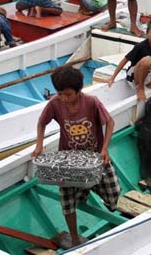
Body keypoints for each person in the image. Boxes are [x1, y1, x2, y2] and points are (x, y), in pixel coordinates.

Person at [31, 66, 120, 247]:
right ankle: (75, 236)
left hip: (95, 157)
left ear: (79, 91)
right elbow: (41, 122)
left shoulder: (91, 102)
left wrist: (105, 149)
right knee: (67, 202)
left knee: (114, 193)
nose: (64, 98)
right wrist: (39, 145)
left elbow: (110, 122)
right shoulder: (55, 103)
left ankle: (97, 199)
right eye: (60, 94)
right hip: (68, 160)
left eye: (68, 95)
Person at [107, 18, 151, 101]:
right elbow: (125, 60)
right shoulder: (140, 46)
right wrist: (113, 77)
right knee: (147, 60)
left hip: (149, 72)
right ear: (147, 33)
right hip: (134, 76)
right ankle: (140, 87)